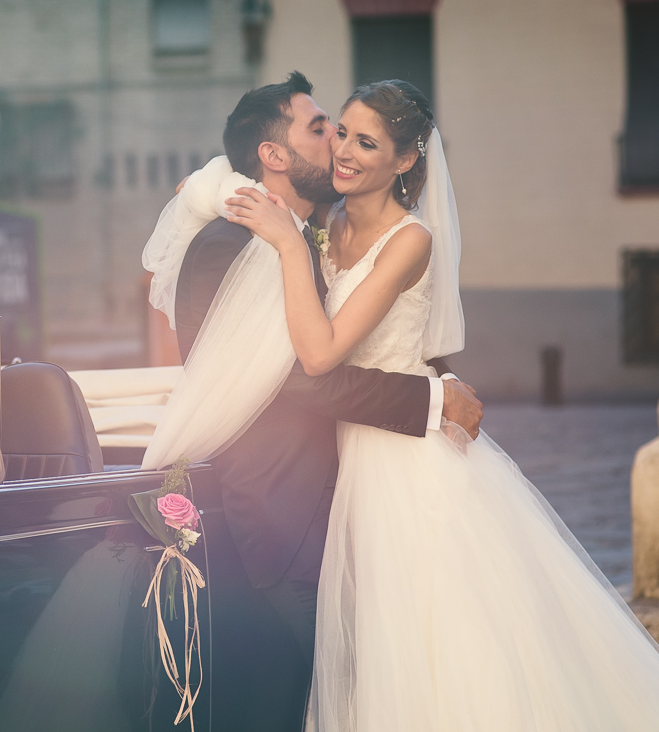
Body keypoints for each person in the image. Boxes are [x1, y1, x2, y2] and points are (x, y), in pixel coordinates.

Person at [225, 79, 659, 730]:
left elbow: (320, 357)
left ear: (404, 162)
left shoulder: (410, 241)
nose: (343, 151)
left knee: (434, 633)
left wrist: (288, 244)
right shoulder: (327, 223)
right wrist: (204, 200)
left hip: (406, 463)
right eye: (340, 131)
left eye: (366, 142)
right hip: (350, 456)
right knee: (374, 644)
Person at [140, 73, 483, 730]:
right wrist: (430, 399)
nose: (337, 144)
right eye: (320, 128)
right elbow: (296, 377)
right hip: (278, 513)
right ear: (274, 156)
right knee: (298, 699)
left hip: (340, 496)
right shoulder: (229, 245)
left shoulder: (311, 229)